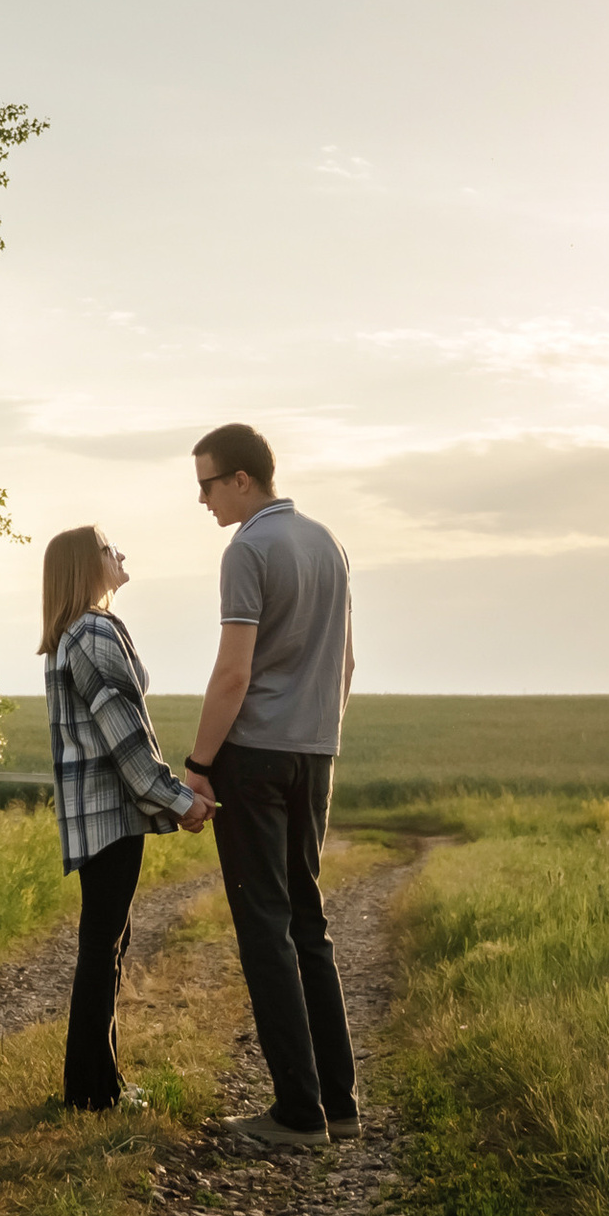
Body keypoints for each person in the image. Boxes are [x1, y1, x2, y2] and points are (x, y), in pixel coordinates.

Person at [181, 423, 359, 1152]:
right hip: (315, 753)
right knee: (308, 924)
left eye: (207, 484)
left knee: (265, 929)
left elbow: (232, 671)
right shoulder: (329, 544)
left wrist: (197, 764)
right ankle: (338, 1103)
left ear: (244, 479)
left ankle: (295, 1112)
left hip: (252, 758)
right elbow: (347, 664)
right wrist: (317, 733)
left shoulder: (249, 547)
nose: (203, 500)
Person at [39, 524, 209, 1112]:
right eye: (111, 549)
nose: (121, 555)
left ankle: (97, 1084)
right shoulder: (92, 631)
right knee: (103, 945)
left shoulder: (74, 634)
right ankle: (91, 1092)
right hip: (110, 816)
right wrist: (180, 800)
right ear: (88, 566)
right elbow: (127, 739)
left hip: (100, 818)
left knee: (106, 941)